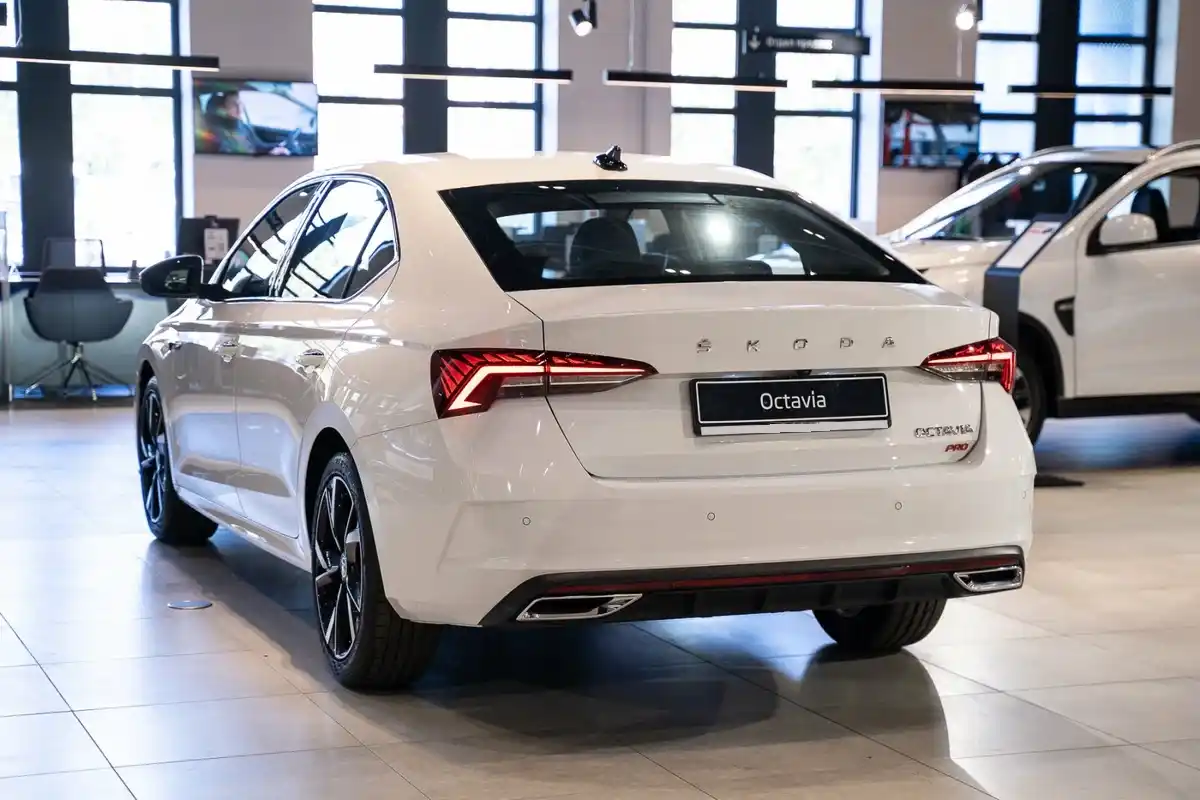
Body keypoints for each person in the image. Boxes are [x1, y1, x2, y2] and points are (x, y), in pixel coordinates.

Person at [199, 91, 289, 156]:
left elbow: (258, 145)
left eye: (240, 104)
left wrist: (278, 146)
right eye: (234, 104)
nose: (239, 108)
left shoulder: (242, 125)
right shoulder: (216, 132)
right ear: (223, 108)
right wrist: (269, 156)